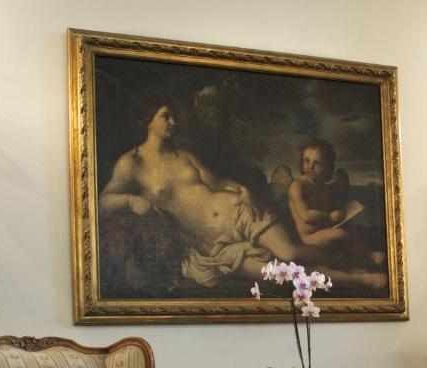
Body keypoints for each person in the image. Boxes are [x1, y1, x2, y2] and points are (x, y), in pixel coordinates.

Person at [99, 100, 384, 291]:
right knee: (278, 273)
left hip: (241, 212)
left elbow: (216, 182)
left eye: (173, 116)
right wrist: (131, 200)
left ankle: (353, 261)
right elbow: (105, 200)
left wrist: (242, 190)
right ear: (148, 120)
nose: (173, 121)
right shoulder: (132, 163)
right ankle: (358, 279)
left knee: (291, 253)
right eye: (165, 116)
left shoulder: (183, 156)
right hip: (213, 246)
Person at [287, 139, 353, 247]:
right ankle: (368, 255)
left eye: (316, 163)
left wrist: (340, 214)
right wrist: (330, 217)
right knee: (341, 234)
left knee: (351, 231)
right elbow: (306, 215)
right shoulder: (298, 186)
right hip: (309, 237)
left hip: (325, 229)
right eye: (306, 161)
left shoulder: (324, 187)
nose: (310, 166)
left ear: (327, 166)